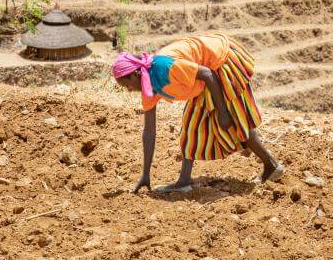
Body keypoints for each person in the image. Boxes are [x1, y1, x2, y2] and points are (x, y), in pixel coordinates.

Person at [111, 32, 284, 193]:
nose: (128, 90)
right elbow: (149, 131)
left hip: (220, 61)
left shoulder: (165, 67)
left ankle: (271, 164)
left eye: (126, 85)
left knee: (235, 118)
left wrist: (222, 112)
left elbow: (207, 74)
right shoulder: (148, 87)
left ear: (134, 74)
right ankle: (184, 180)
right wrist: (145, 174)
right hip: (202, 80)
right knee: (191, 124)